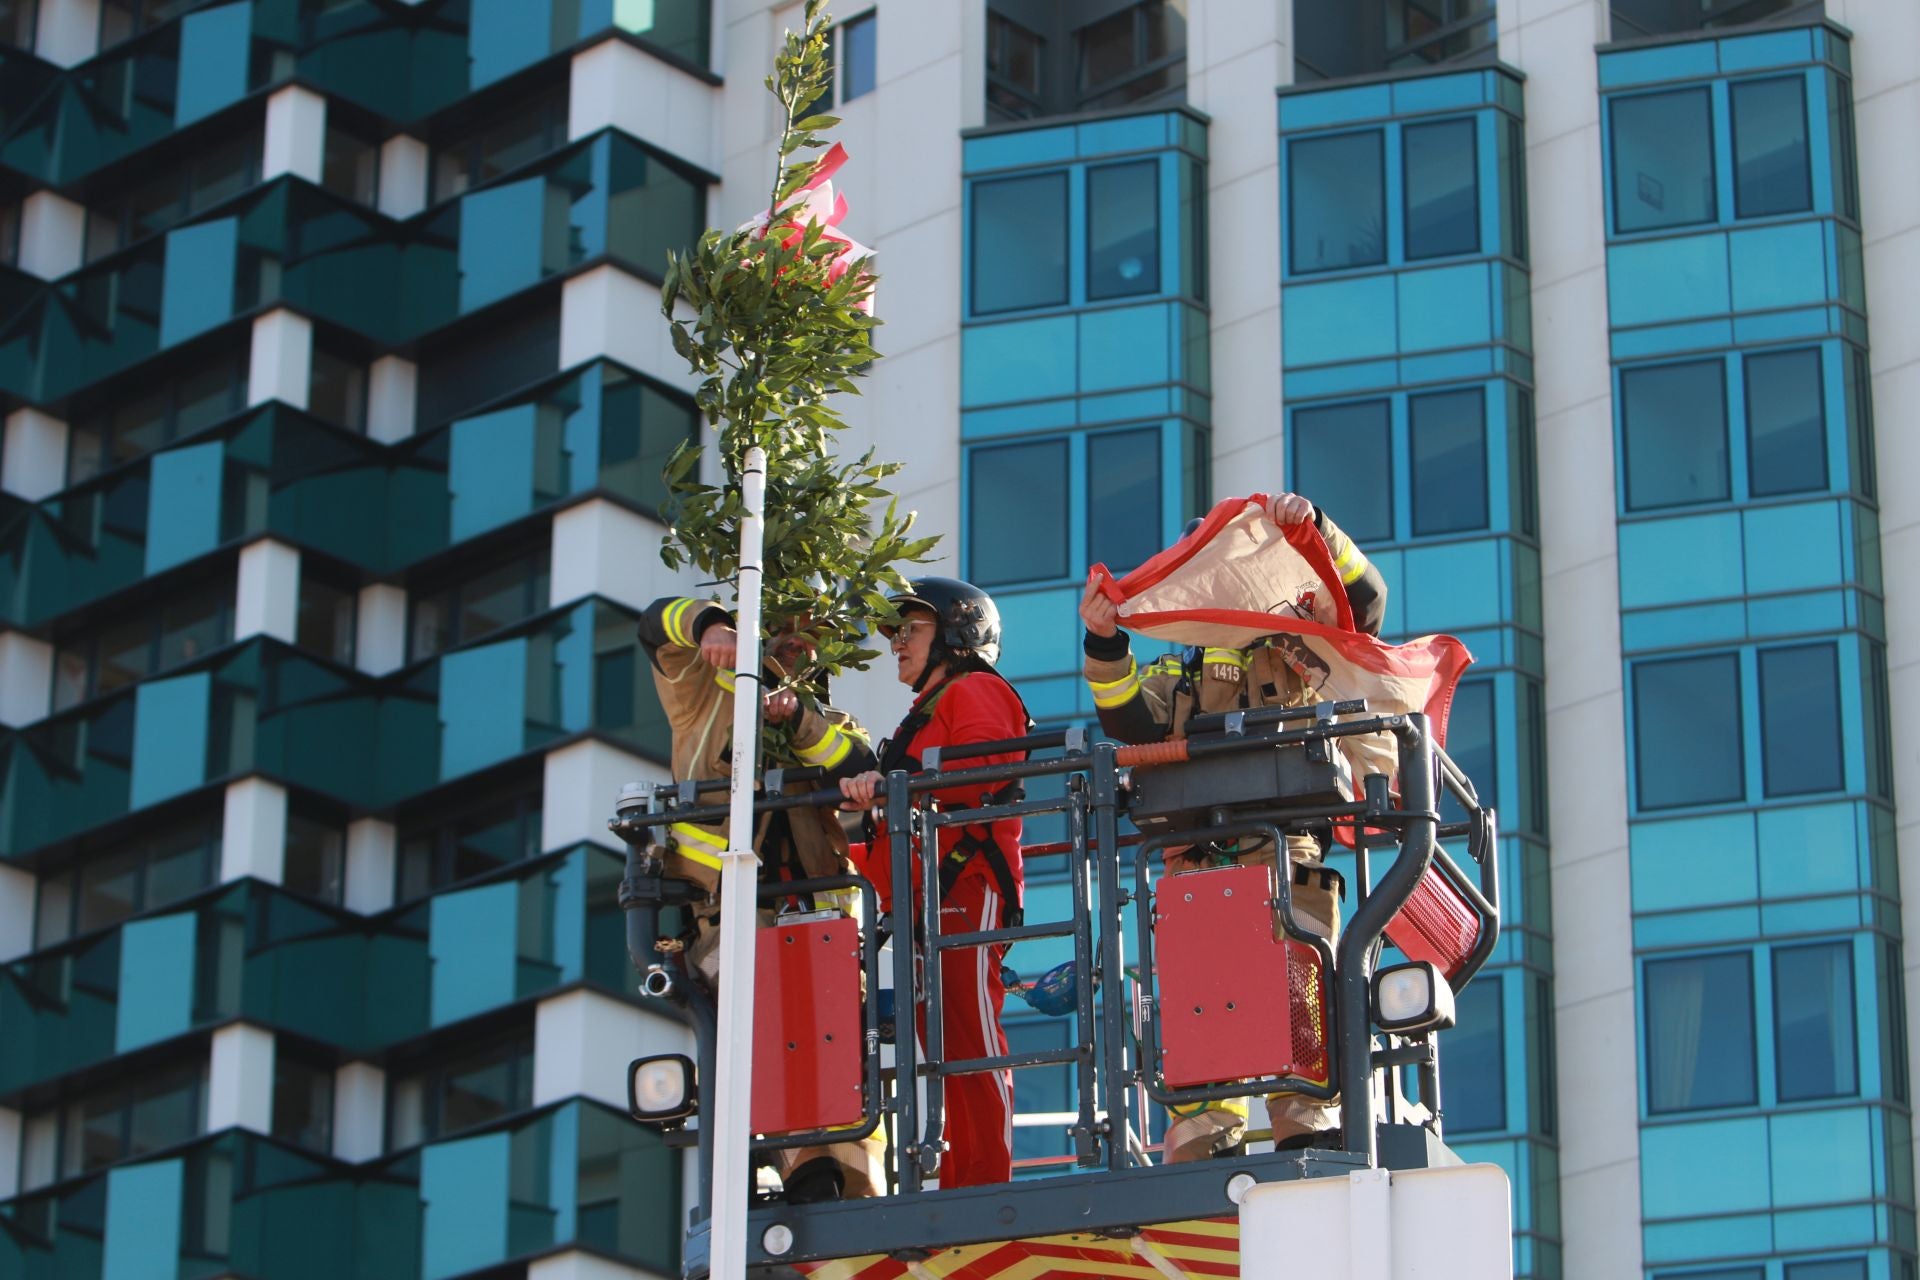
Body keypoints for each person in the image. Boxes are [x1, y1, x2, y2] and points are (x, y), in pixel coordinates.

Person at [1078, 492, 1388, 1162]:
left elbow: (1364, 605)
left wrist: (1318, 530)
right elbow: (1129, 720)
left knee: (1301, 991)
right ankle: (1203, 1142)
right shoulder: (1176, 668)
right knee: (1202, 1007)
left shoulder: (1301, 646)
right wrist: (1104, 643)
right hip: (1200, 862)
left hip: (1286, 854)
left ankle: (1306, 1128)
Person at [638, 594, 883, 1204]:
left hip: (821, 914)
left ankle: (860, 1192)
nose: (798, 647)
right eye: (786, 633)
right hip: (731, 913)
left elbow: (855, 767)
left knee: (843, 1047)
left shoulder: (825, 720)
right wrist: (709, 624)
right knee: (763, 1025)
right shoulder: (702, 693)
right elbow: (655, 623)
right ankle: (803, 1171)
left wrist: (797, 719)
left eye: (810, 640)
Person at [837, 578, 1031, 1189]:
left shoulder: (976, 689)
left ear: (958, 631)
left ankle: (984, 1184)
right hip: (931, 897)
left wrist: (892, 787)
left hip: (965, 889)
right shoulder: (925, 712)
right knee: (942, 1045)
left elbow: (981, 771)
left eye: (911, 628)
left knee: (970, 1037)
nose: (897, 641)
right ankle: (961, 1181)